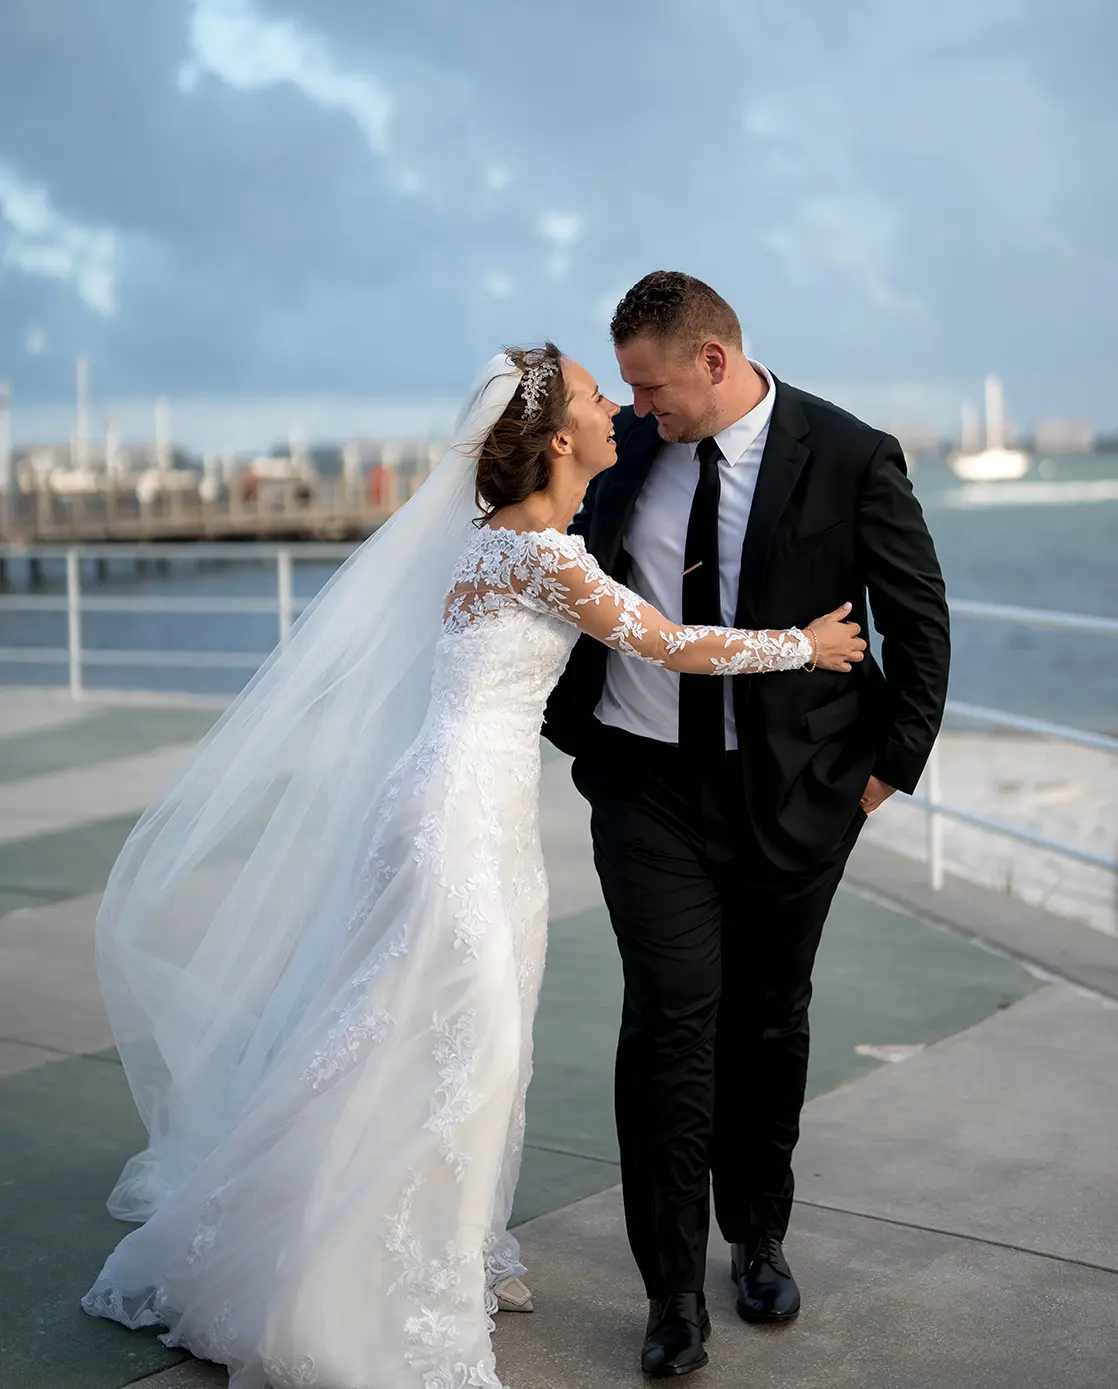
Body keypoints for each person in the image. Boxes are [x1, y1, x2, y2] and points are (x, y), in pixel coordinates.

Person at [80, 344, 865, 1389]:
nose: (612, 411)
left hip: (475, 811)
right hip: (455, 815)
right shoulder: (539, 553)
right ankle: (374, 1267)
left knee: (446, 1030)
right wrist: (803, 647)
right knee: (464, 1037)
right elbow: (667, 645)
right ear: (555, 438)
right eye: (594, 398)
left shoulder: (496, 540)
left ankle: (450, 1244)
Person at [544, 273, 951, 1378]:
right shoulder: (623, 452)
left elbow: (917, 622)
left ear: (713, 361)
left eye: (652, 386)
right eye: (624, 389)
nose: (636, 409)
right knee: (668, 1023)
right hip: (645, 792)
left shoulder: (851, 455)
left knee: (768, 1022)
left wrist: (879, 782)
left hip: (797, 796)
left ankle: (756, 1236)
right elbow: (547, 561)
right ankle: (669, 1289)